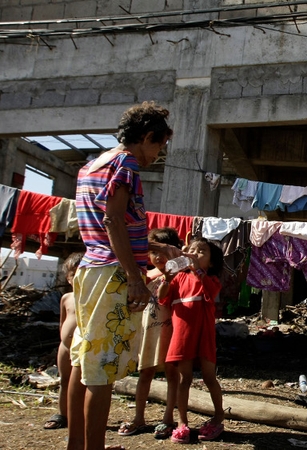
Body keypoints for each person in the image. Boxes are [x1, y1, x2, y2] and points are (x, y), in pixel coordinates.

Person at [68, 101, 181, 450]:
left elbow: (111, 227)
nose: (158, 155)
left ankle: (76, 444)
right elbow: (113, 221)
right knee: (100, 370)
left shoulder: (93, 164)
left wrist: (151, 249)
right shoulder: (125, 163)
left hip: (90, 269)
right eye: (158, 145)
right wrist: (135, 276)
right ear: (146, 137)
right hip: (112, 276)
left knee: (82, 361)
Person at [157, 236, 225, 444]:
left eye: (201, 251)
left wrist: (196, 268)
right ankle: (182, 422)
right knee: (184, 378)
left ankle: (219, 416)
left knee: (208, 376)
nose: (194, 253)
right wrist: (167, 279)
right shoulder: (178, 279)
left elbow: (210, 291)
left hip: (204, 335)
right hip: (182, 334)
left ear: (211, 262)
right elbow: (162, 297)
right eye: (191, 250)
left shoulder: (211, 280)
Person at [117, 227, 182, 439]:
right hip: (148, 331)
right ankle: (139, 417)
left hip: (171, 330)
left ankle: (168, 418)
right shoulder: (145, 274)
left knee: (173, 374)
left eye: (162, 251)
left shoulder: (181, 272)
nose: (157, 257)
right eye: (153, 252)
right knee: (145, 372)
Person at [43, 251, 84, 430]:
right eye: (74, 275)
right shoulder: (66, 298)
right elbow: (62, 322)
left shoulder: (92, 299)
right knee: (64, 381)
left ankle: (80, 414)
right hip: (65, 347)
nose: (77, 279)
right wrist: (62, 341)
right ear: (68, 278)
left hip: (83, 347)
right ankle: (62, 414)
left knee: (82, 382)